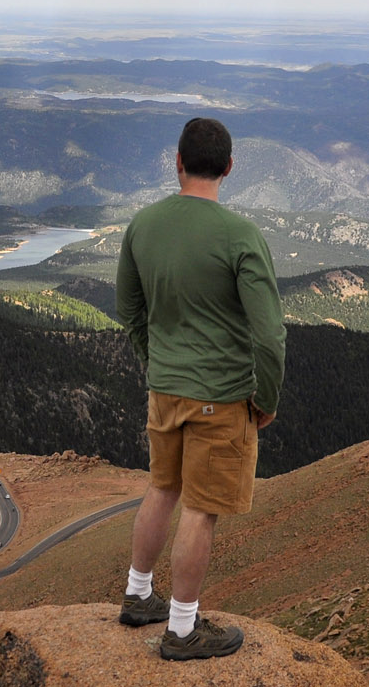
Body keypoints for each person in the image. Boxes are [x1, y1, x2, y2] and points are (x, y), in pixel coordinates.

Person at [114, 117, 286, 661]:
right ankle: (183, 629)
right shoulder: (240, 236)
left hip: (164, 390)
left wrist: (154, 361)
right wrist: (266, 398)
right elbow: (269, 334)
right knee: (201, 508)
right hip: (221, 396)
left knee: (162, 487)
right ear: (230, 167)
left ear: (178, 162)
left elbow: (129, 309)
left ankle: (138, 595)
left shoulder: (142, 224)